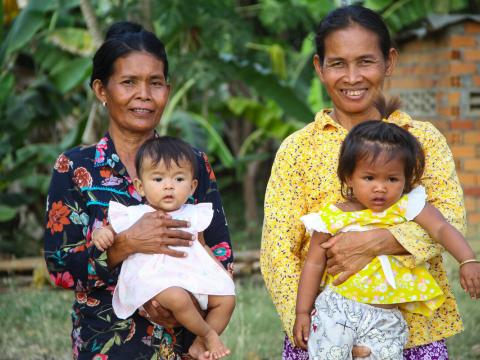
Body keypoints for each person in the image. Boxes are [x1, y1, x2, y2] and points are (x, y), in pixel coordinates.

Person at [261, 5, 470, 359]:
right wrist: (304, 317)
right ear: (319, 67)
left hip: (413, 333)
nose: (352, 76)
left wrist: (378, 241)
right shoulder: (298, 149)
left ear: (389, 62)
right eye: (338, 63)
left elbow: (449, 217)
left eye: (366, 61)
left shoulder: (422, 139)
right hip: (325, 330)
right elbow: (278, 251)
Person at [44, 21, 234, 360]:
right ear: (102, 91)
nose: (144, 95)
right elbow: (60, 269)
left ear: (167, 89)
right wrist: (127, 244)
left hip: (185, 344)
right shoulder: (74, 168)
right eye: (129, 82)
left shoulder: (193, 163)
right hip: (107, 343)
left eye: (155, 83)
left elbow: (221, 251)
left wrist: (186, 301)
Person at [293, 115, 480, 359]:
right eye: (369, 178)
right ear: (349, 177)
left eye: (392, 179)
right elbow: (314, 263)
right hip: (337, 309)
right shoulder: (332, 217)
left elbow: (442, 229)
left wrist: (467, 260)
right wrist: (302, 312)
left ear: (406, 179)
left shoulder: (408, 207)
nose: (380, 187)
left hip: (386, 317)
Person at [92, 136, 235, 360]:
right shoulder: (135, 214)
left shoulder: (194, 213)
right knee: (177, 298)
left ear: (192, 186)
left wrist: (221, 273)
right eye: (158, 179)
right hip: (154, 279)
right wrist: (101, 234)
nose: (169, 186)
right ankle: (208, 334)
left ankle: (198, 344)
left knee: (226, 299)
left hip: (190, 276)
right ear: (140, 186)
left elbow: (203, 245)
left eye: (179, 179)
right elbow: (111, 230)